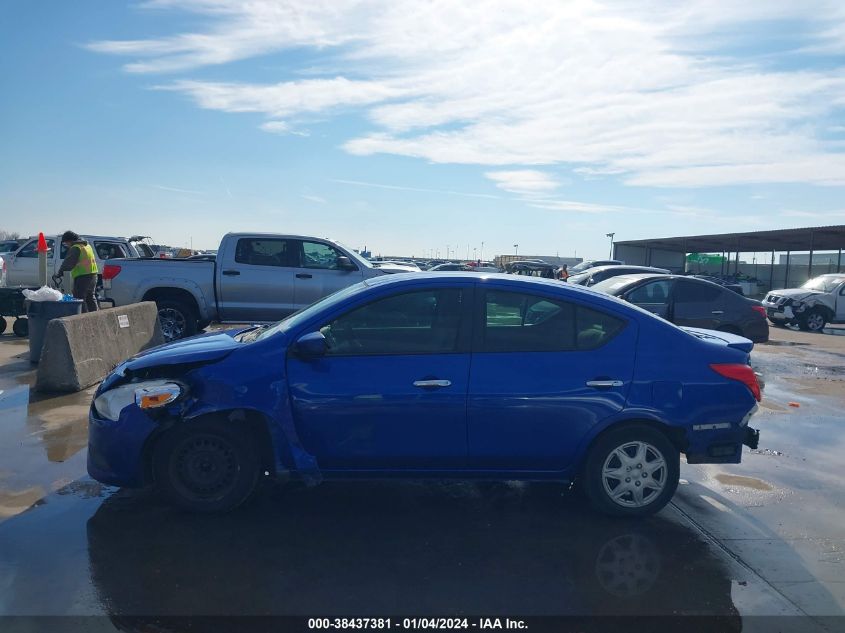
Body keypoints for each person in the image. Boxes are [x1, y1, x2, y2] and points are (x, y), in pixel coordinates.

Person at [55, 231, 99, 312]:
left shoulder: (76, 248)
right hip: (93, 275)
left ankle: (82, 318)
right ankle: (94, 316)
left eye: (66, 243)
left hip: (82, 276)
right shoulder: (87, 245)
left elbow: (68, 263)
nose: (66, 245)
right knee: (90, 297)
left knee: (79, 298)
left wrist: (60, 273)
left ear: (70, 240)